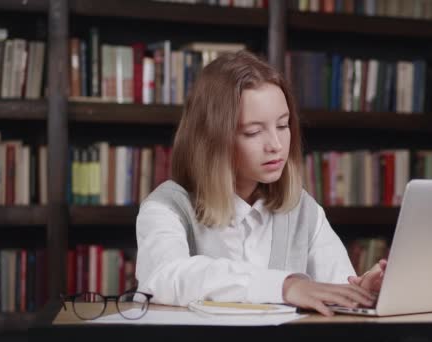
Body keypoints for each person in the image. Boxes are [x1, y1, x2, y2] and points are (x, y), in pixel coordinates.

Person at [135, 50, 386, 316]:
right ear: (212, 140)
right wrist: (285, 286)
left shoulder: (304, 211)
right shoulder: (166, 207)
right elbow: (164, 277)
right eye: (254, 132)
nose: (276, 146)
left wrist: (360, 293)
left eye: (283, 125)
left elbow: (332, 290)